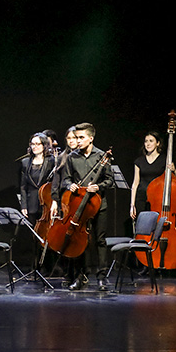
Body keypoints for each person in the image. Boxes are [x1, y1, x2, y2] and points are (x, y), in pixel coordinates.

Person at [59, 122, 113, 291]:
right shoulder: (72, 157)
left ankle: (102, 277)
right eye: (76, 138)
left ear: (91, 138)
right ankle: (81, 276)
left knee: (100, 240)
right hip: (79, 206)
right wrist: (70, 185)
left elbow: (110, 180)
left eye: (81, 138)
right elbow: (65, 179)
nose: (78, 141)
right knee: (82, 241)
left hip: (98, 205)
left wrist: (99, 187)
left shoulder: (101, 156)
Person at [130, 130, 176, 220]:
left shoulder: (165, 160)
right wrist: (132, 205)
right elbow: (135, 184)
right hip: (142, 199)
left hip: (158, 200)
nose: (148, 144)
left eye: (151, 141)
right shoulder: (139, 161)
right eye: (146, 141)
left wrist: (174, 170)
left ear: (158, 143)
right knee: (143, 229)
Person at [19, 133, 55, 223]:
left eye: (38, 144)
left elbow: (55, 184)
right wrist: (24, 206)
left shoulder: (51, 161)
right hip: (31, 203)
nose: (34, 147)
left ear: (44, 145)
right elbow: (23, 186)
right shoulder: (25, 162)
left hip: (47, 202)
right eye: (32, 144)